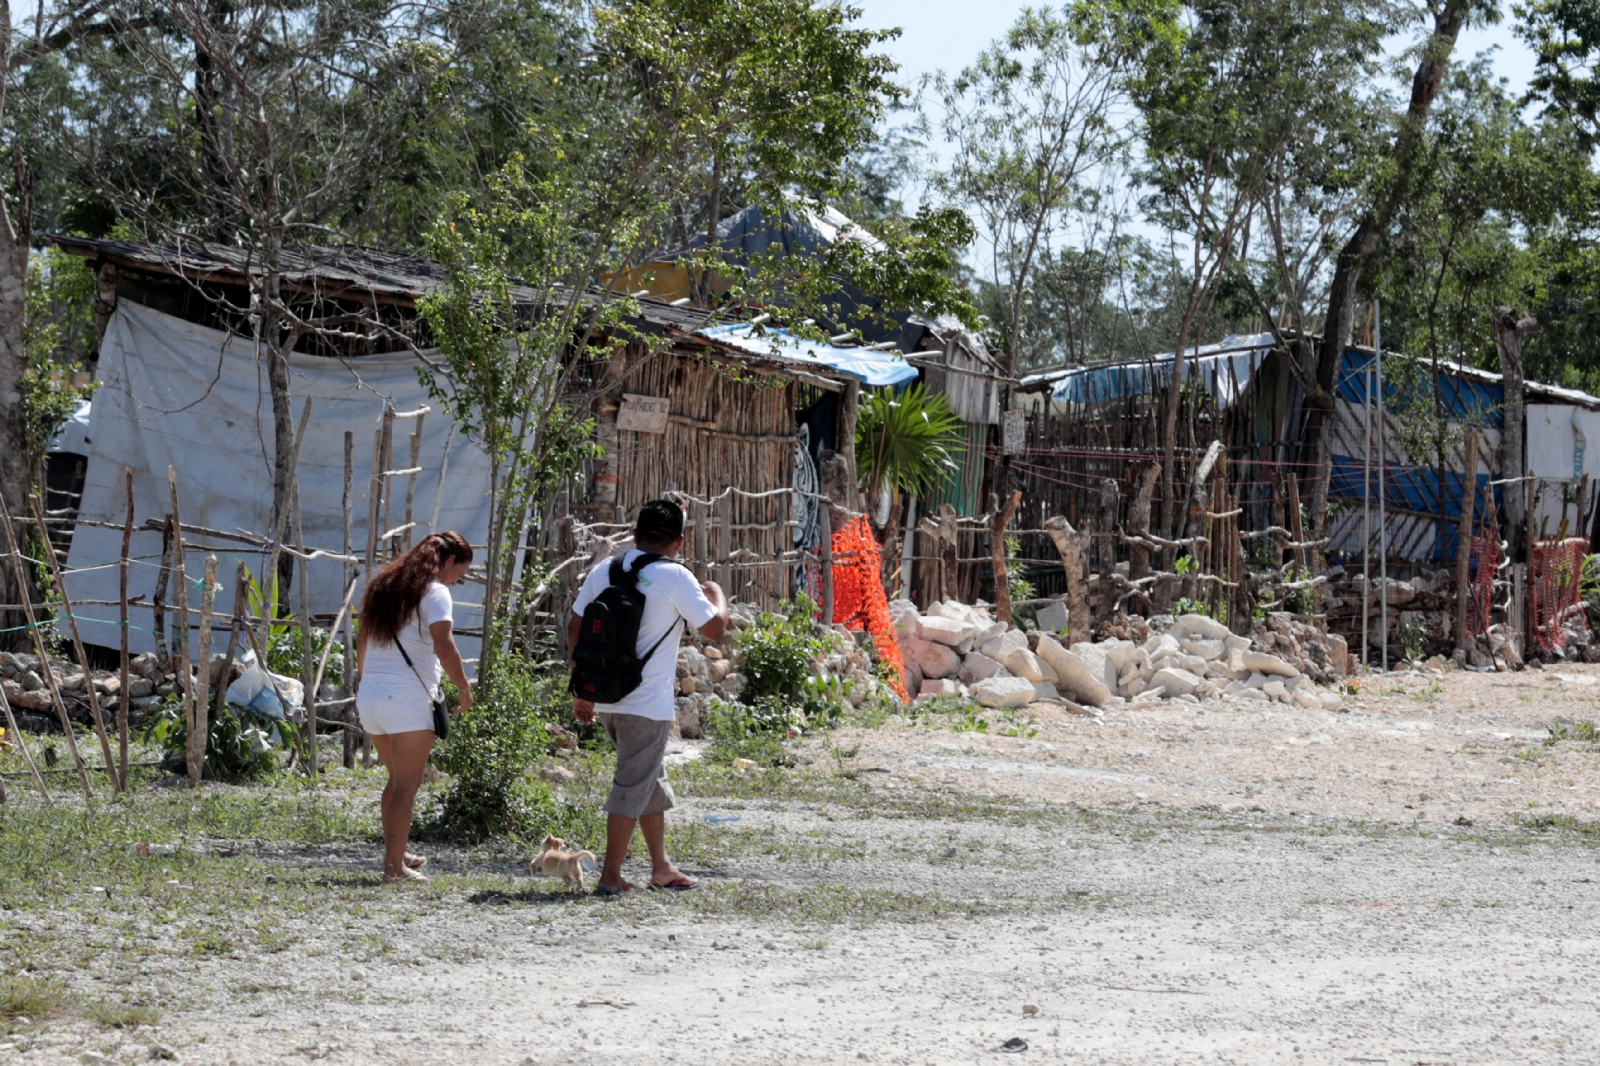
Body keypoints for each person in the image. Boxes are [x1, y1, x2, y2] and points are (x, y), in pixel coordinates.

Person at [570, 499, 729, 895]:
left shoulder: (605, 570)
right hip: (645, 704)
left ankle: (662, 867)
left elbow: (575, 627)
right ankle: (609, 877)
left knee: (648, 780)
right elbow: (714, 629)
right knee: (632, 783)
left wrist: (580, 687)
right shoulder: (676, 577)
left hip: (605, 697)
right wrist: (716, 594)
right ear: (678, 542)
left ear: (636, 535)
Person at [356, 531, 475, 884]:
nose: (458, 581)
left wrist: (371, 681)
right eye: (460, 573)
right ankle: (394, 868)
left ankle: (398, 850)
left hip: (371, 697)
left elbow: (362, 640)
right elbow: (445, 645)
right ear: (449, 561)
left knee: (397, 781)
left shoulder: (384, 586)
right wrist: (464, 687)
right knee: (407, 785)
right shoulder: (434, 592)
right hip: (406, 699)